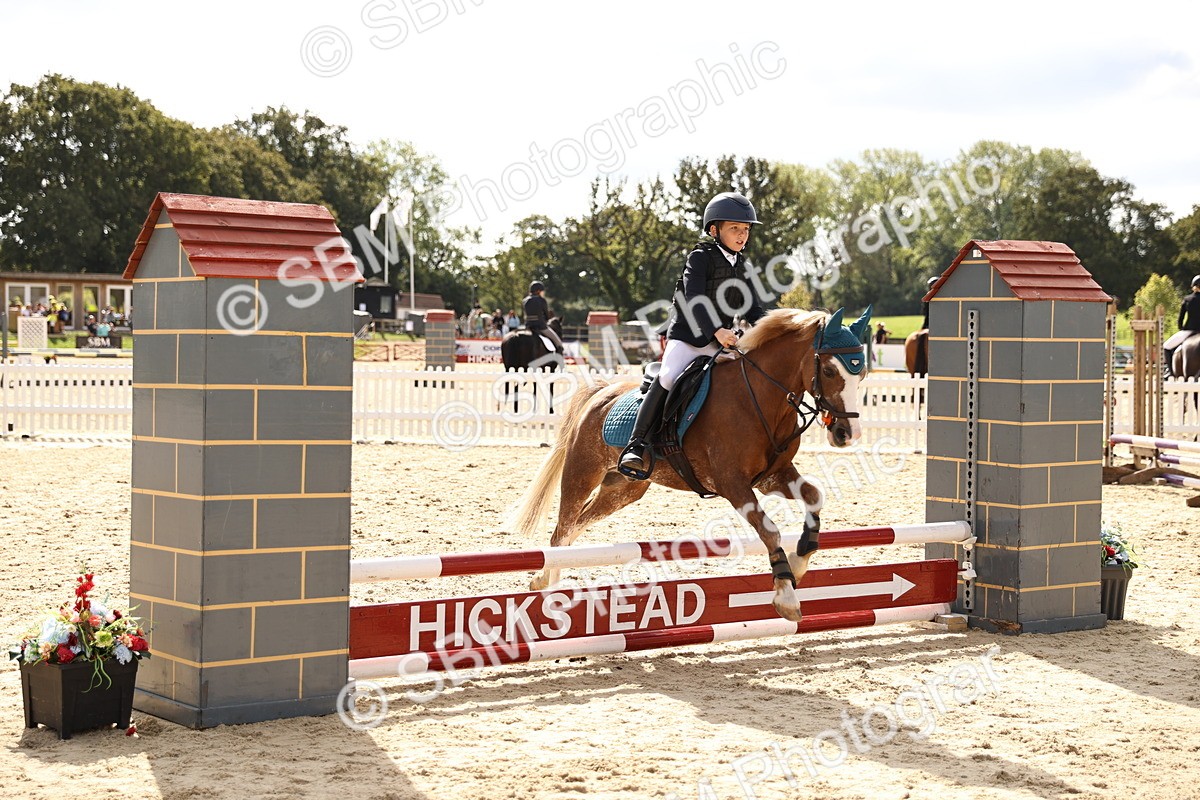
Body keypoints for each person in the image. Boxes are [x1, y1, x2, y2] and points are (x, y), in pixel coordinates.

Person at [619, 192, 767, 476]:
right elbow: (695, 298)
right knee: (667, 376)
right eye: (734, 228)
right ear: (714, 230)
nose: (742, 235)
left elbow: (753, 309)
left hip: (721, 343)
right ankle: (636, 445)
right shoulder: (699, 258)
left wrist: (774, 330)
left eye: (746, 229)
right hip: (689, 338)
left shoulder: (743, 266)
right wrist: (717, 330)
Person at [1163, 275, 1200, 371]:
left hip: (1189, 330)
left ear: (1193, 286)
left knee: (1166, 347)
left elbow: (1181, 318)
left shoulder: (1188, 299)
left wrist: (1181, 328)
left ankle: (1170, 371)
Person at [522, 281, 564, 354]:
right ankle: (558, 355)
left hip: (528, 326)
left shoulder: (524, 300)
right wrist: (546, 319)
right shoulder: (541, 300)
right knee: (558, 342)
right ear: (538, 291)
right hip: (541, 326)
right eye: (542, 291)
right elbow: (546, 315)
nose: (543, 293)